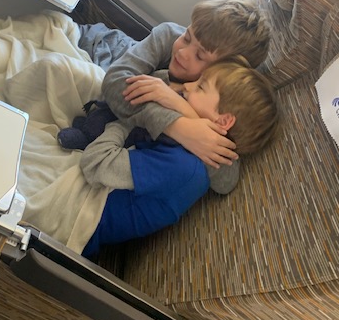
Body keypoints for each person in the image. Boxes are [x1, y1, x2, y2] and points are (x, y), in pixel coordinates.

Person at [63, 0, 270, 193]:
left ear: (223, 71)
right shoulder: (168, 35)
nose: (182, 52)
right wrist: (176, 126)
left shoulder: (209, 99)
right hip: (111, 48)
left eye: (200, 56)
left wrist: (188, 115)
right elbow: (114, 83)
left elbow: (226, 180)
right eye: (187, 37)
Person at [80, 55, 278, 256]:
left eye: (201, 87)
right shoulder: (188, 150)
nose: (187, 86)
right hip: (90, 191)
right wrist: (181, 111)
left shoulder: (184, 167)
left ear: (223, 121)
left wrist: (132, 118)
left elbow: (95, 164)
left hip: (81, 214)